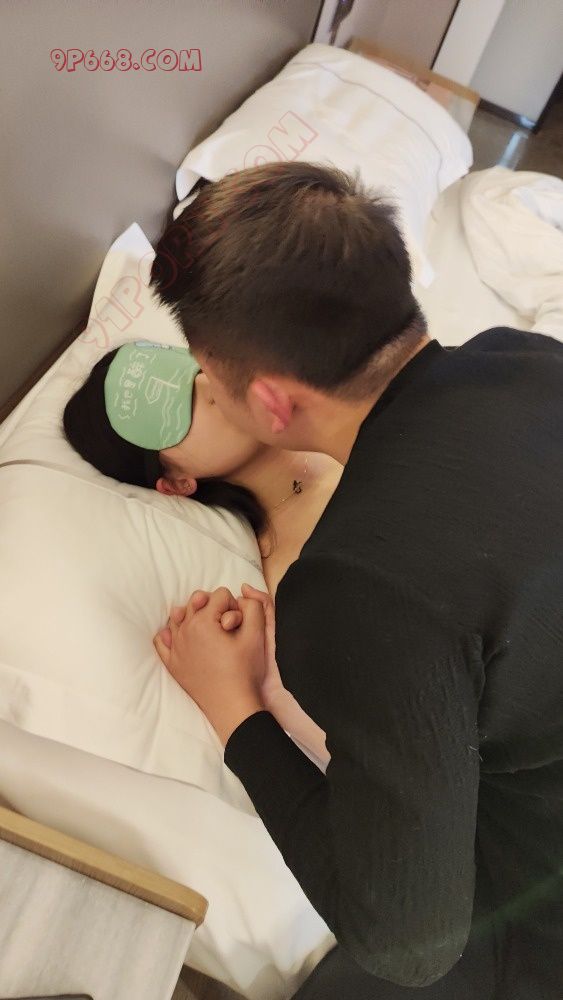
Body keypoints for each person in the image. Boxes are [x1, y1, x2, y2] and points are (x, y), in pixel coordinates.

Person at [149, 160, 563, 1000]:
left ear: (272, 403)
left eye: (209, 381)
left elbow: (408, 941)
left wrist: (237, 714)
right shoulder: (526, 359)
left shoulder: (355, 586)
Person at [62, 340, 341, 763]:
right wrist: (266, 693)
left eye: (195, 371)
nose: (213, 388)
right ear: (176, 482)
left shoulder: (362, 405)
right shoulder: (297, 573)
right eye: (176, 411)